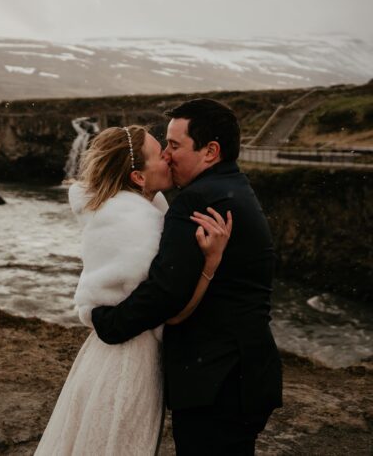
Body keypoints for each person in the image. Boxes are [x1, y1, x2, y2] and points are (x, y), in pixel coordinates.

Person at [92, 99, 283, 455]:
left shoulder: (196, 200)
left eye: (175, 146)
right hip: (243, 374)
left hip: (216, 382)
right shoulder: (232, 186)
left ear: (210, 151)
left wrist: (109, 322)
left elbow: (168, 290)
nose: (166, 155)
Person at [36, 124, 231, 455]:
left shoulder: (114, 211)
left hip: (103, 355)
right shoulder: (141, 223)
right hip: (129, 361)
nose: (168, 157)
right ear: (138, 178)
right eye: (159, 153)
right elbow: (171, 306)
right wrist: (211, 263)